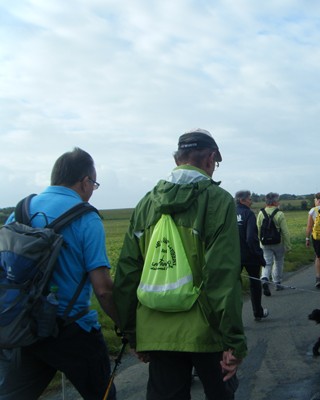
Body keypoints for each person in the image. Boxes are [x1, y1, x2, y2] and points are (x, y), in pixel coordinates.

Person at [113, 129, 247, 400]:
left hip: (156, 329)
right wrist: (233, 340)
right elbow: (222, 275)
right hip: (207, 332)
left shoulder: (145, 204)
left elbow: (127, 272)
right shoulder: (218, 200)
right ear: (210, 160)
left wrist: (132, 332)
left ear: (178, 160)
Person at [0, 148, 119, 400]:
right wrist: (124, 325)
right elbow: (103, 288)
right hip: (72, 328)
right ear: (85, 181)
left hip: (23, 327)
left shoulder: (20, 210)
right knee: (103, 395)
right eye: (94, 184)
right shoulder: (86, 218)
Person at [235, 190, 269, 321]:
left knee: (234, 286)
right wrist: (258, 254)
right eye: (249, 199)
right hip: (250, 255)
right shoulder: (248, 213)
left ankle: (234, 317)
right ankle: (257, 312)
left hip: (234, 255)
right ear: (242, 200)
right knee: (254, 284)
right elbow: (250, 238)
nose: (251, 201)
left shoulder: (229, 213)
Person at [256, 192, 292, 294]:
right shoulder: (279, 214)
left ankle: (264, 278)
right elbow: (285, 231)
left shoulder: (260, 213)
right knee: (278, 262)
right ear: (275, 202)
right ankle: (277, 283)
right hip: (278, 243)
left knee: (267, 262)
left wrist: (260, 241)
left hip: (264, 243)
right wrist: (288, 245)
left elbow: (258, 229)